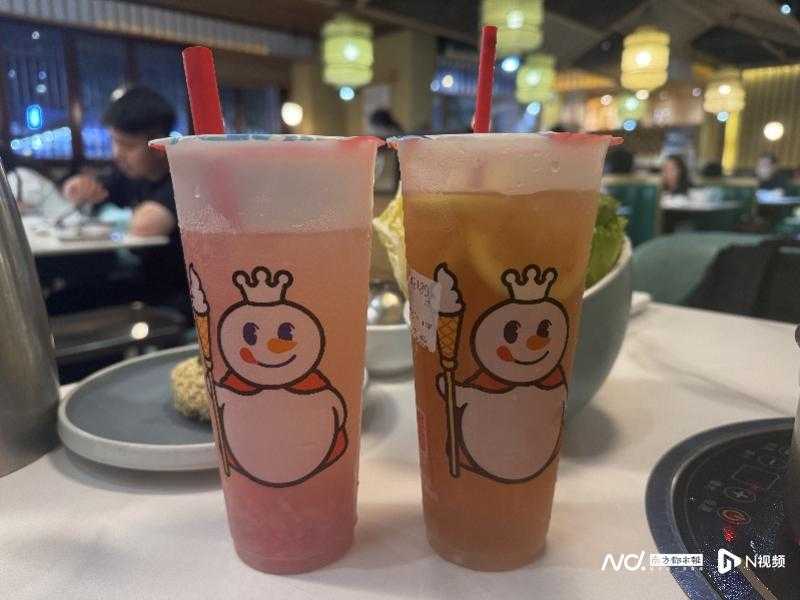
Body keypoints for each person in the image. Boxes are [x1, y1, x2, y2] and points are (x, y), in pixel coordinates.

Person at [61, 86, 186, 309]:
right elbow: (92, 190)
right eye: (114, 141)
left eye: (127, 145)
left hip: (175, 296)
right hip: (141, 280)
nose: (117, 153)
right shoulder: (128, 175)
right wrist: (77, 187)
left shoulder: (181, 178)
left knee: (67, 303)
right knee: (63, 297)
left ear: (158, 145)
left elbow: (147, 225)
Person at [0, 143, 71, 219]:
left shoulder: (18, 175)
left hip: (63, 218)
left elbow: (21, 205)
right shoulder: (19, 172)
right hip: (56, 217)